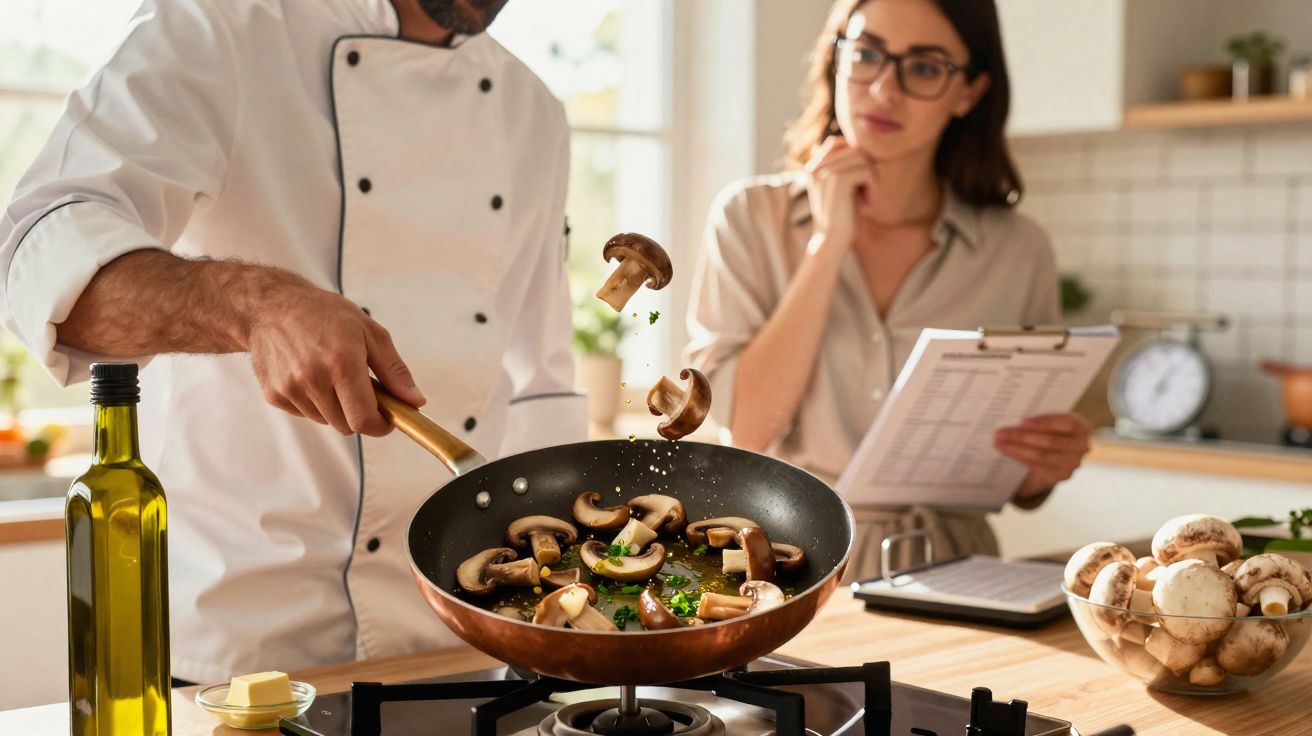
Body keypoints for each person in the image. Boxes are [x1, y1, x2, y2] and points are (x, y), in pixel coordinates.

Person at [0, 0, 585, 683]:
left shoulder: (532, 110)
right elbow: (39, 259)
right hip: (237, 654)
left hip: (457, 648)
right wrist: (254, 306)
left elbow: (541, 382)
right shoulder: (214, 29)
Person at [685, 0, 1091, 582]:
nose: (882, 88)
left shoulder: (1018, 250)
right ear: (835, 57)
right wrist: (828, 244)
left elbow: (1021, 478)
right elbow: (747, 429)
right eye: (867, 54)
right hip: (785, 569)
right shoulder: (750, 218)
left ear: (970, 92)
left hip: (959, 576)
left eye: (924, 68)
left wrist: (1043, 463)